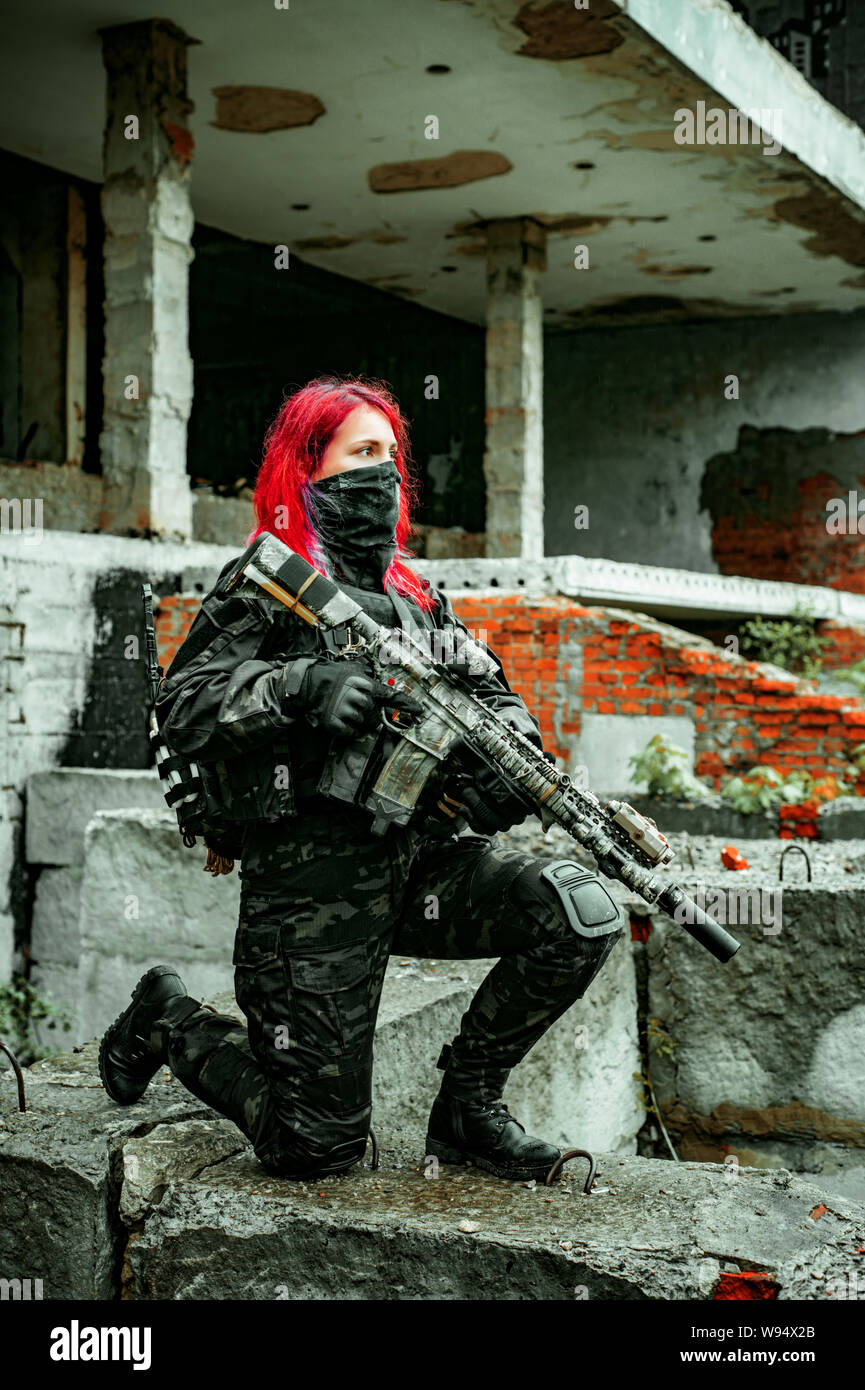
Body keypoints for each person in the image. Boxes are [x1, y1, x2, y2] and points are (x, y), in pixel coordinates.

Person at [98, 376, 624, 1184]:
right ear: (308, 469)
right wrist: (297, 689)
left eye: (389, 455)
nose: (380, 472)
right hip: (309, 893)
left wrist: (502, 770)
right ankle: (168, 1020)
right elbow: (184, 703)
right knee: (315, 1146)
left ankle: (468, 1112)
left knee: (579, 913)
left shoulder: (417, 601)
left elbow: (495, 700)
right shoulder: (270, 584)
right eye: (359, 453)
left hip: (422, 868)